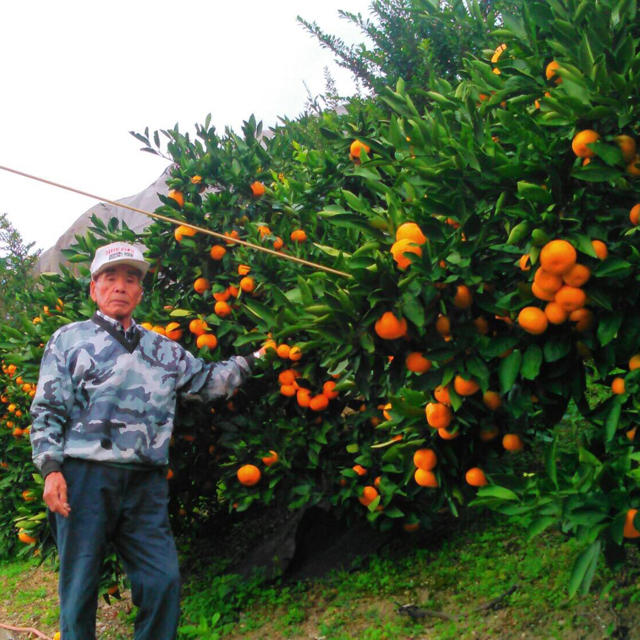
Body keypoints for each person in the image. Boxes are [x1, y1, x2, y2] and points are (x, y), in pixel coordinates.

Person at [29, 241, 263, 640]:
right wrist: (51, 469)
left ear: (139, 291)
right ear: (94, 288)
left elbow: (209, 381)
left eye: (130, 279)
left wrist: (259, 358)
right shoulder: (68, 340)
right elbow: (48, 409)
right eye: (110, 277)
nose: (120, 286)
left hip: (145, 482)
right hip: (84, 478)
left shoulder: (163, 348)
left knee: (162, 581)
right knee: (80, 588)